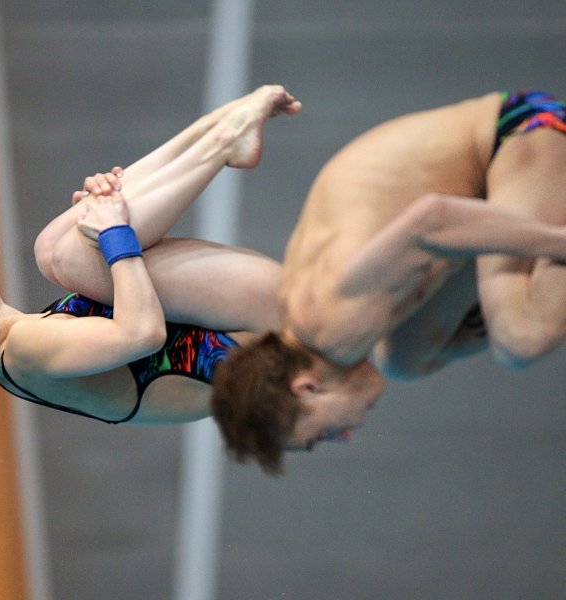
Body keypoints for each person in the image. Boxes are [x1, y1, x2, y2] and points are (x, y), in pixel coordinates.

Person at [210, 89, 566, 474]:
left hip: (521, 130)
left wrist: (557, 244)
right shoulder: (307, 322)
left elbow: (433, 220)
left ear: (307, 388)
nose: (347, 435)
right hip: (493, 168)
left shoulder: (333, 325)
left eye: (322, 435)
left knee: (520, 337)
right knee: (402, 360)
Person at [0, 85, 300, 424]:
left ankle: (218, 129)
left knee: (55, 249)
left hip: (254, 335)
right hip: (268, 336)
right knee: (73, 257)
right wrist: (114, 231)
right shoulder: (22, 347)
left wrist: (101, 215)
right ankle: (222, 139)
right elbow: (143, 334)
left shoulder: (13, 361)